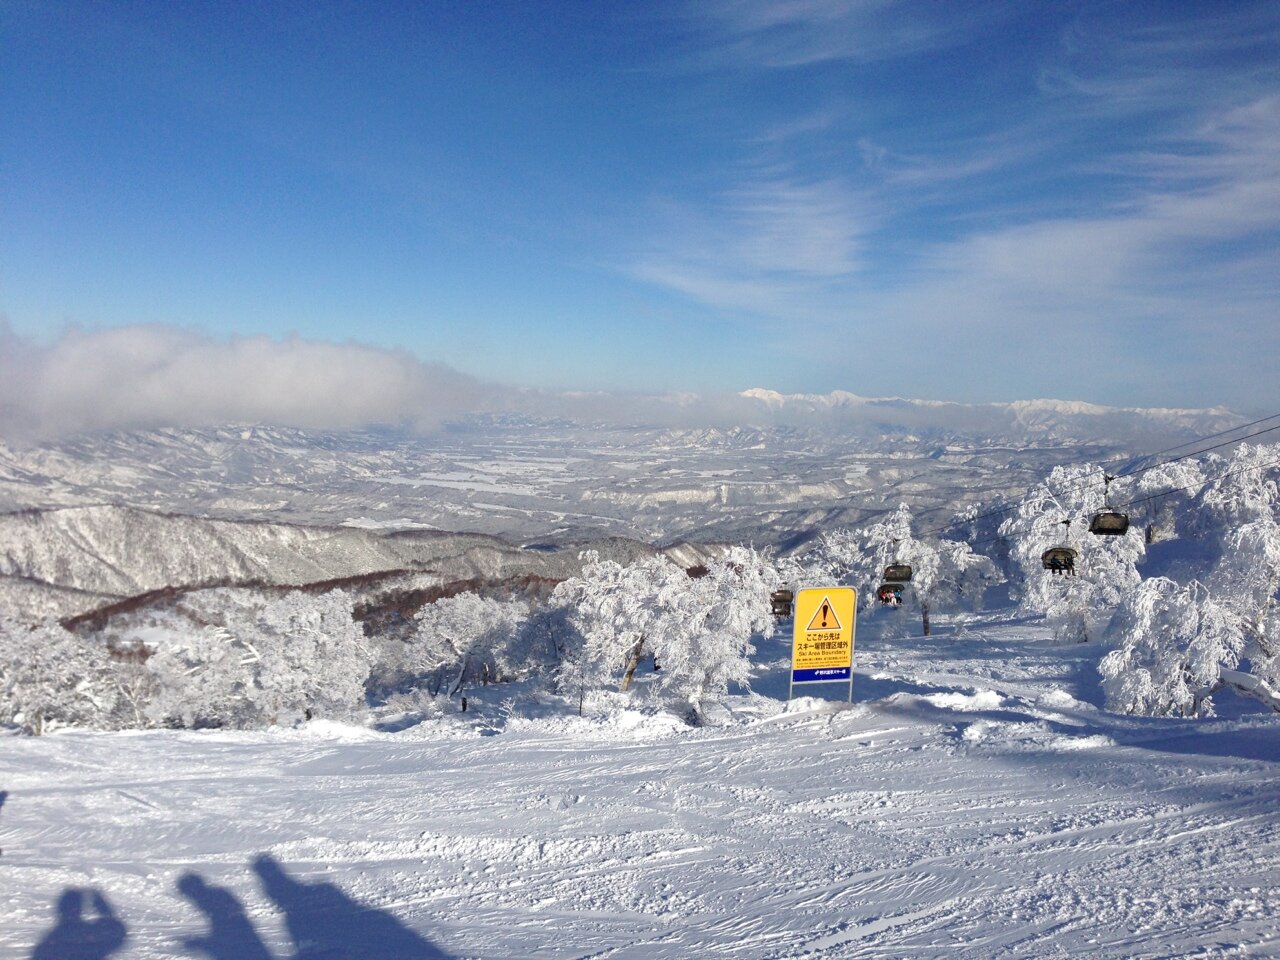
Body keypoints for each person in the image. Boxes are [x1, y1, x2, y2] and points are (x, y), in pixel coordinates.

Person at [32, 889, 126, 960]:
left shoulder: (50, 941)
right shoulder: (88, 934)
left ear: (60, 909)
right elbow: (116, 937)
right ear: (80, 910)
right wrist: (107, 914)